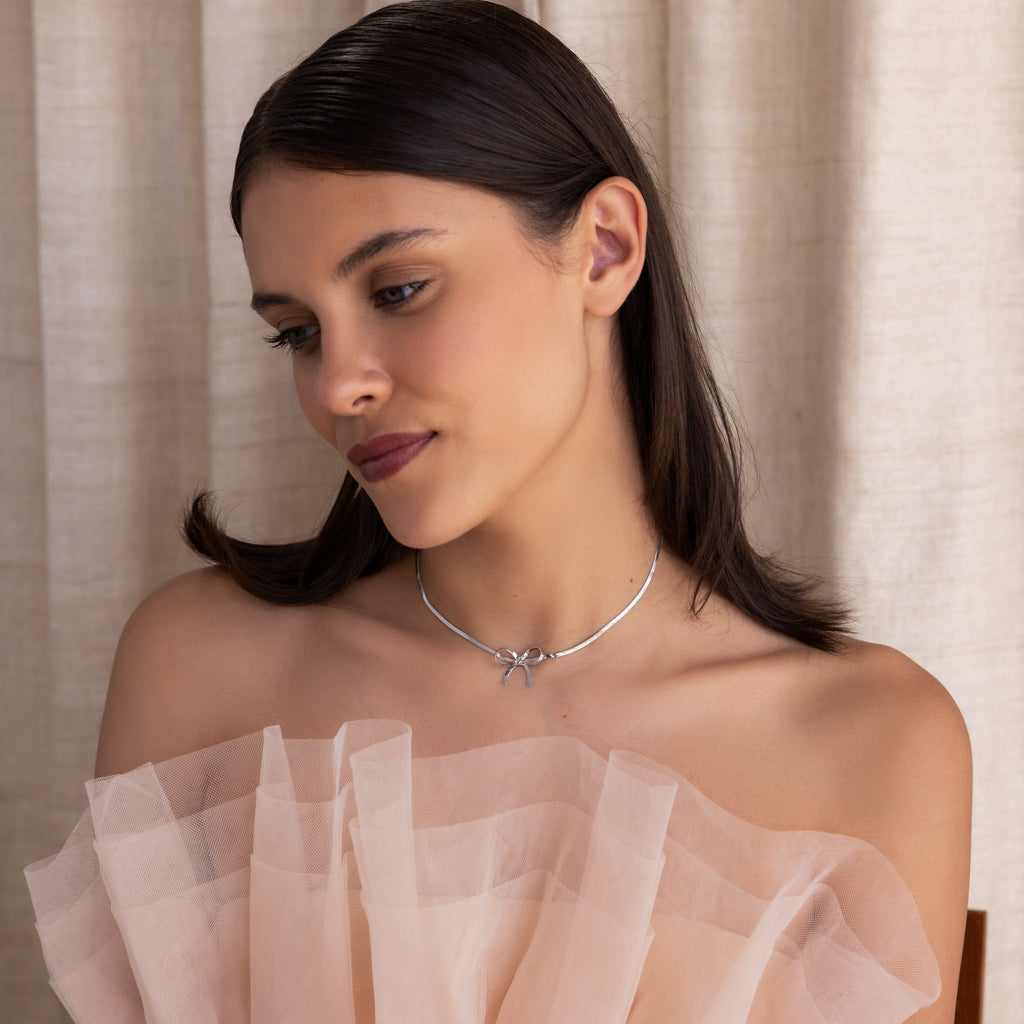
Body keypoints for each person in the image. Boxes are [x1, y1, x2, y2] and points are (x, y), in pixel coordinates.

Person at [26, 2, 971, 1021]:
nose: (338, 384)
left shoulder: (871, 741)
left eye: (397, 290)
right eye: (296, 332)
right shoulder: (200, 667)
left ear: (604, 248)